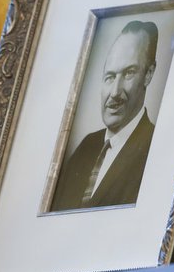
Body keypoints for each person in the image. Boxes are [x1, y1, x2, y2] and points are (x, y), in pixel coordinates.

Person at [51, 20, 159, 211]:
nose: (115, 92)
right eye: (109, 77)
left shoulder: (156, 148)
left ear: (149, 74)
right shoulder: (86, 147)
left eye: (128, 73)